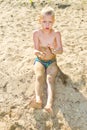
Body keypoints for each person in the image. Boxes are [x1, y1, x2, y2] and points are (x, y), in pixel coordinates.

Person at [30, 6, 63, 112]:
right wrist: (38, 52)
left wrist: (55, 51)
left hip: (51, 61)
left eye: (50, 22)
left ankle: (49, 104)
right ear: (40, 21)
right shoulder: (36, 33)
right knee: (39, 76)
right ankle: (38, 100)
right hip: (40, 60)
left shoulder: (56, 34)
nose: (47, 25)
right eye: (44, 21)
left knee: (50, 79)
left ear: (53, 22)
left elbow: (61, 50)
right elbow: (35, 49)